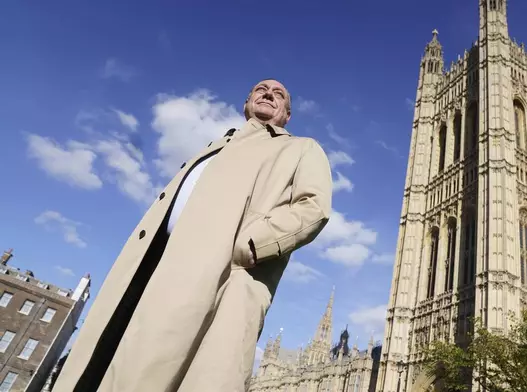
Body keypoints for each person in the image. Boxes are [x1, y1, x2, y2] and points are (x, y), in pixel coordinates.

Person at [52, 79, 333, 392]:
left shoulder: (299, 148)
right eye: (260, 89)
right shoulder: (218, 146)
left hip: (220, 275)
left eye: (278, 94)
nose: (268, 93)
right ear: (245, 104)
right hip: (151, 265)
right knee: (103, 358)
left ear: (287, 115)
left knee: (164, 369)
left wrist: (252, 245)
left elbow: (314, 207)